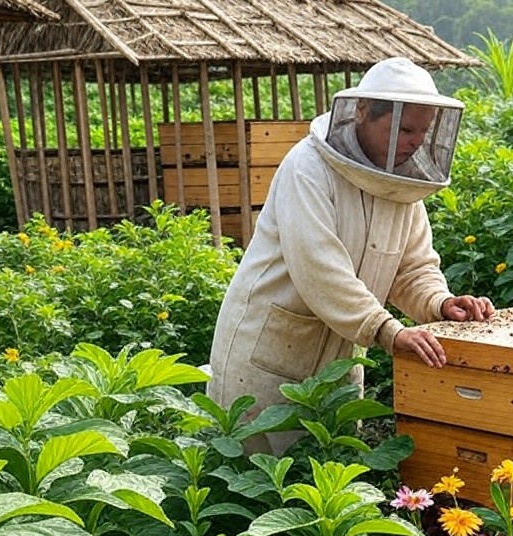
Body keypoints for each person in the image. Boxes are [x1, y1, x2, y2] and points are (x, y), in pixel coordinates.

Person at [208, 57, 495, 455]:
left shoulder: (403, 184)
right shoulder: (308, 168)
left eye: (422, 131)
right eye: (402, 129)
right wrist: (387, 330)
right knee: (257, 477)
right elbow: (320, 269)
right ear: (361, 112)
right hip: (268, 352)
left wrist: (440, 303)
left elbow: (413, 267)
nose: (414, 141)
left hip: (341, 356)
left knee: (330, 476)